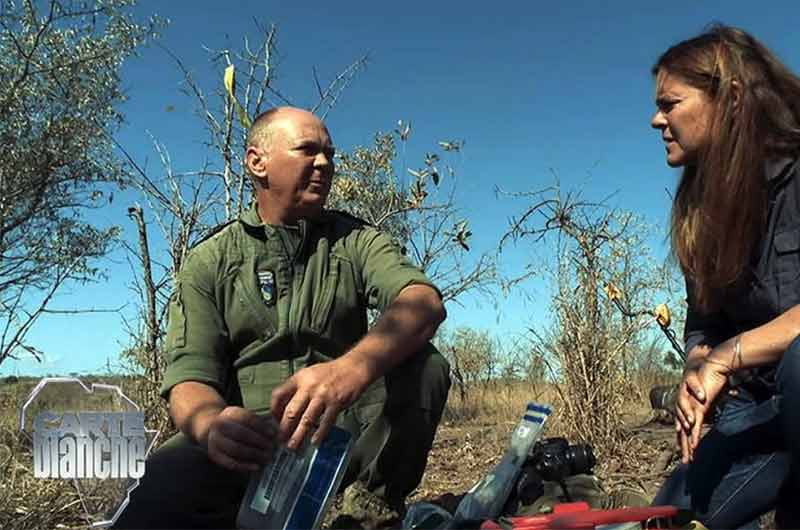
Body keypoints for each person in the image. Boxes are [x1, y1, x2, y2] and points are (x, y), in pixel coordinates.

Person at [113, 107, 451, 529]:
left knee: (425, 364)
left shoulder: (356, 240)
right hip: (251, 440)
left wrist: (349, 369)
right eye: (308, 150)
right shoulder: (209, 259)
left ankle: (367, 515)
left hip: (337, 432)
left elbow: (422, 301)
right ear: (257, 162)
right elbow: (188, 378)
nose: (324, 163)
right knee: (158, 485)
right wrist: (212, 424)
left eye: (329, 154)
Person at [649, 25, 800, 529]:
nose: (656, 120)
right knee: (672, 513)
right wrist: (697, 364)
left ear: (732, 98)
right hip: (757, 408)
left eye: (670, 104)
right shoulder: (697, 210)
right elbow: (703, 321)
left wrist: (728, 356)